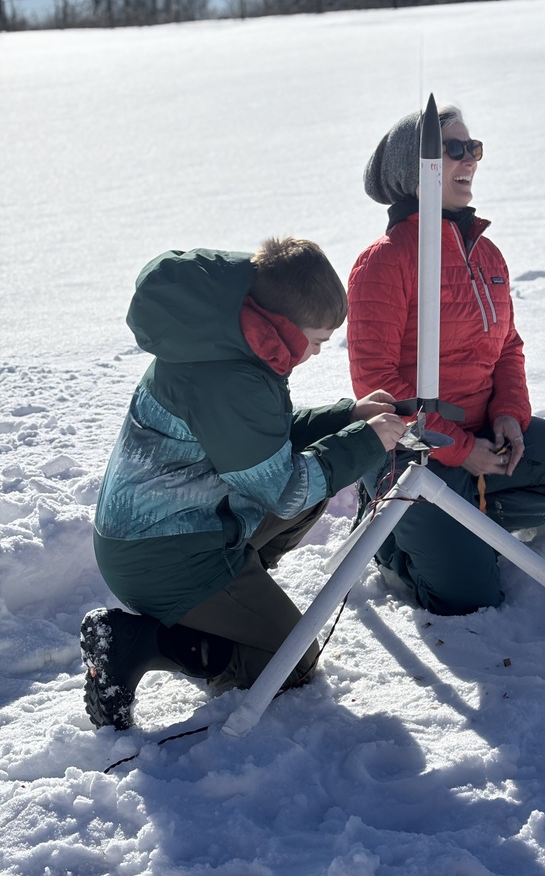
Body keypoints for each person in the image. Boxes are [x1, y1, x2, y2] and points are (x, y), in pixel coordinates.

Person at [81, 238, 406, 730]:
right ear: (283, 324)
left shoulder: (226, 334)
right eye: (317, 340)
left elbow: (260, 442)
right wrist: (364, 442)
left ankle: (234, 597)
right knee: (290, 665)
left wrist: (349, 416)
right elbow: (284, 488)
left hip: (176, 531)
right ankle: (140, 643)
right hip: (166, 558)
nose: (319, 352)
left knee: (312, 488)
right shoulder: (229, 378)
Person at [347, 104, 545, 616]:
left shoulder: (487, 254)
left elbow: (508, 348)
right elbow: (376, 387)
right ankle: (390, 543)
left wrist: (508, 418)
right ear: (418, 167)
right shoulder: (384, 260)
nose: (470, 159)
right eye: (454, 149)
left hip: (485, 436)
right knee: (469, 599)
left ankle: (463, 524)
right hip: (416, 454)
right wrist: (461, 450)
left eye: (474, 148)